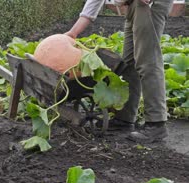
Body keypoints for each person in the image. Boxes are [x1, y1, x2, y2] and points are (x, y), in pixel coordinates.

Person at [65, 0, 173, 143]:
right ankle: (125, 119)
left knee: (148, 62)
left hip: (149, 5)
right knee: (129, 63)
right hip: (133, 5)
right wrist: (73, 33)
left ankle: (156, 124)